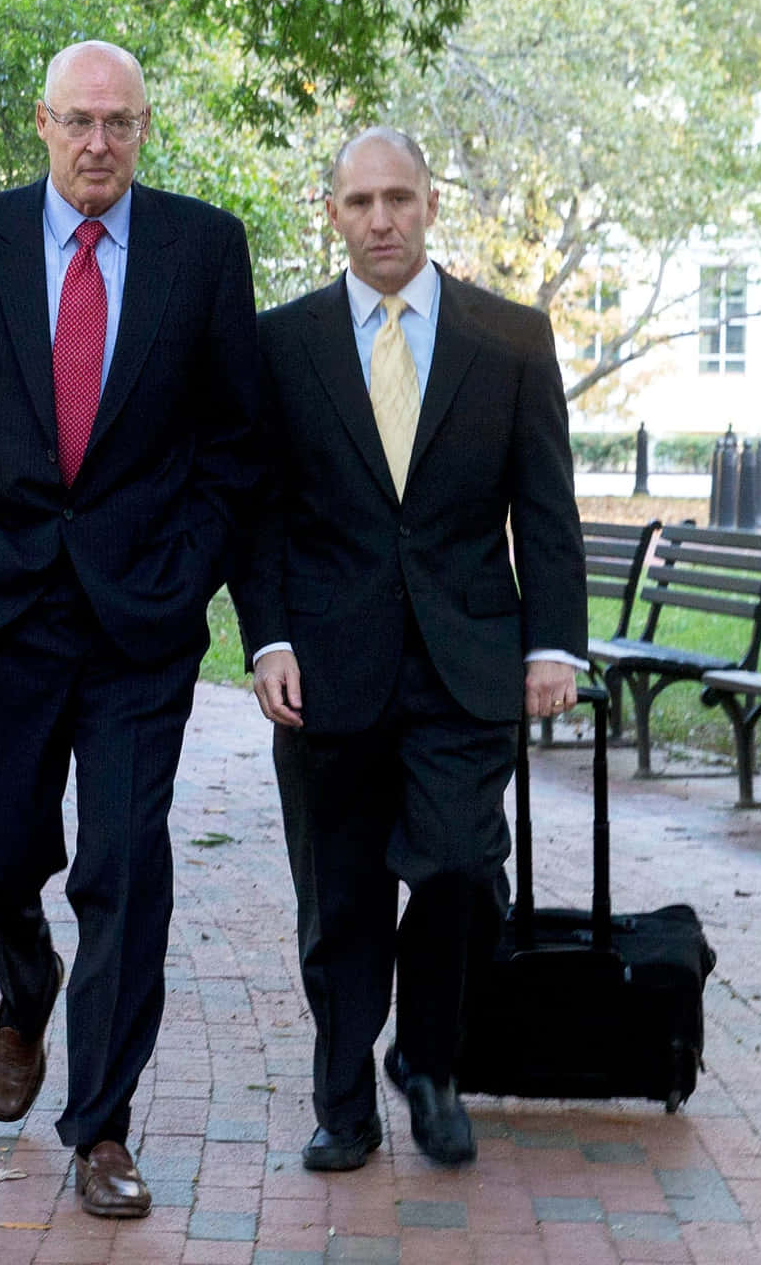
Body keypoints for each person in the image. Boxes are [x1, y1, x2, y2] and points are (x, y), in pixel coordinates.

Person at [0, 40, 260, 1217]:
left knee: (125, 866)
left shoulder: (204, 247)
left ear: (144, 130)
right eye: (79, 121)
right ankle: (24, 979)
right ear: (42, 123)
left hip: (141, 615)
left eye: (120, 123)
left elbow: (235, 439)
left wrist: (191, 567)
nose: (99, 143)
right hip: (3, 603)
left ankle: (101, 1124)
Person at [227, 126, 587, 1172]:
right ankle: (344, 1104)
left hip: (467, 662)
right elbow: (257, 511)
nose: (380, 219)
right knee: (339, 903)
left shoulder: (510, 337)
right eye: (360, 202)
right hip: (325, 669)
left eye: (398, 198)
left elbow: (546, 505)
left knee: (463, 870)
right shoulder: (280, 343)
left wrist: (554, 644)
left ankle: (427, 1059)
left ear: (431, 203)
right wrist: (269, 639)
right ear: (332, 214)